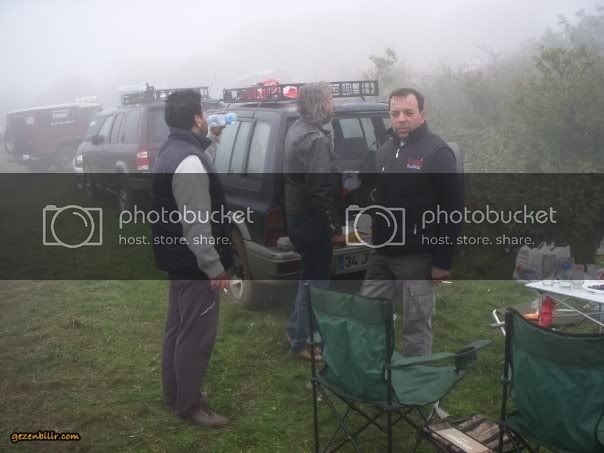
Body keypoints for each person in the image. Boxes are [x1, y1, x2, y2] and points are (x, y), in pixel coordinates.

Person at [151, 89, 233, 427]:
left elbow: (193, 167)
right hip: (195, 264)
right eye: (204, 113)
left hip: (178, 260)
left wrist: (213, 139)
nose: (207, 118)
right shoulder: (188, 161)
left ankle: (175, 393)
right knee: (196, 336)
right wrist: (214, 268)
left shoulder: (171, 150)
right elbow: (197, 225)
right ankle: (189, 405)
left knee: (177, 328)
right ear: (197, 118)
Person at [361, 88, 463, 357]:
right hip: (381, 254)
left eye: (408, 112)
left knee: (415, 325)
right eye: (395, 113)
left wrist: (443, 262)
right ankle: (376, 370)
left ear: (422, 115)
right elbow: (377, 200)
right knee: (369, 316)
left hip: (417, 256)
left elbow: (453, 209)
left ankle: (415, 379)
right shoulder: (384, 152)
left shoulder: (437, 152)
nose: (401, 119)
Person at [283, 82, 346, 360]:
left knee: (308, 277)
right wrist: (334, 228)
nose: (333, 104)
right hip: (312, 221)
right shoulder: (315, 140)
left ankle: (294, 331)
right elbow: (320, 191)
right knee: (316, 283)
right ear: (320, 104)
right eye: (330, 99)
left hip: (297, 217)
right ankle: (302, 342)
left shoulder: (296, 129)